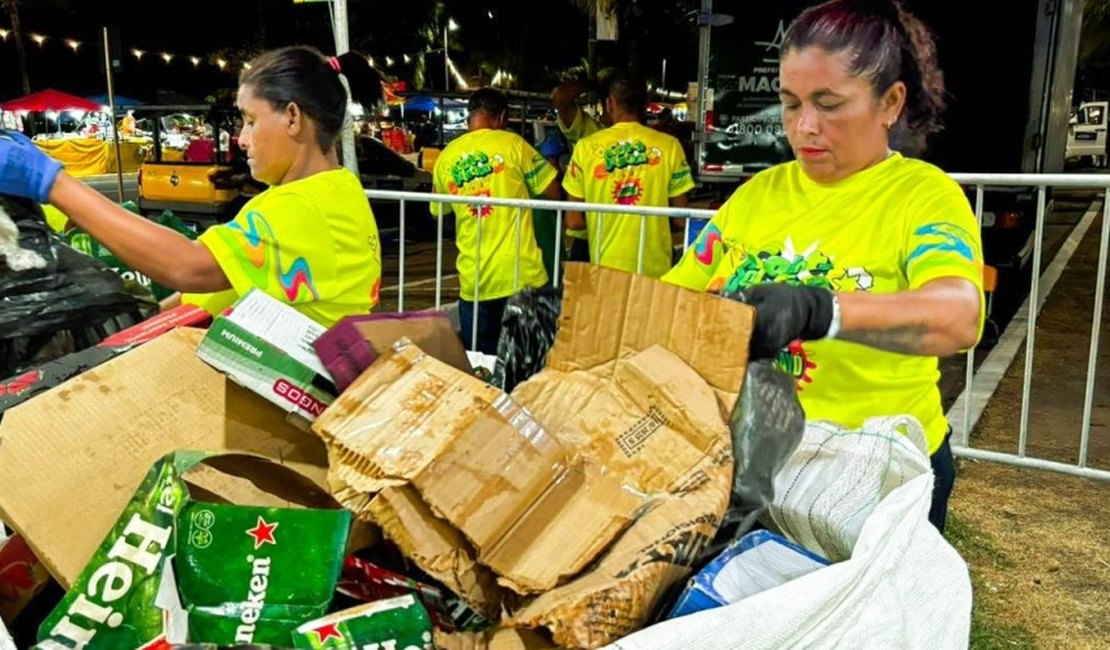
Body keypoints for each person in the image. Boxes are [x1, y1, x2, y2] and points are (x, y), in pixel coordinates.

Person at [663, 0, 983, 533]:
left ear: (891, 103)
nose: (805, 127)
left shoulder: (922, 197)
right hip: (762, 462)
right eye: (791, 105)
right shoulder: (757, 195)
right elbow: (677, 297)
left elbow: (958, 317)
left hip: (874, 473)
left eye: (829, 104)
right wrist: (586, 306)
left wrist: (821, 310)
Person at [0, 45, 385, 328]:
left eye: (249, 120)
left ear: (292, 118)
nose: (242, 139)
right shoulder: (335, 190)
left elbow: (189, 267)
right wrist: (134, 332)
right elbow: (216, 290)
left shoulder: (304, 207)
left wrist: (54, 183)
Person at [430, 88, 561, 354]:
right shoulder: (513, 144)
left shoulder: (445, 157)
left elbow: (438, 211)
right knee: (528, 362)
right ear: (501, 117)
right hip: (522, 275)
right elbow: (554, 192)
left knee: (482, 367)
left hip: (474, 279)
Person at [562, 75, 695, 278]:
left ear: (610, 104)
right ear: (645, 105)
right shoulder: (670, 146)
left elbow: (573, 221)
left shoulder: (585, 148)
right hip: (656, 270)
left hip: (605, 268)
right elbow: (680, 220)